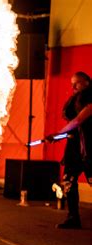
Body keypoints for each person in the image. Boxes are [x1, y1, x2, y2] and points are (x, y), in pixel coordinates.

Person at [46, 71, 92, 229]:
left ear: (86, 81)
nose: (73, 86)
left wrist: (58, 133)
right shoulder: (74, 99)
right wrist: (57, 136)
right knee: (68, 181)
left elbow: (80, 119)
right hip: (74, 148)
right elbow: (73, 125)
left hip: (90, 147)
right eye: (72, 83)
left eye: (77, 83)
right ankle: (73, 217)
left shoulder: (90, 97)